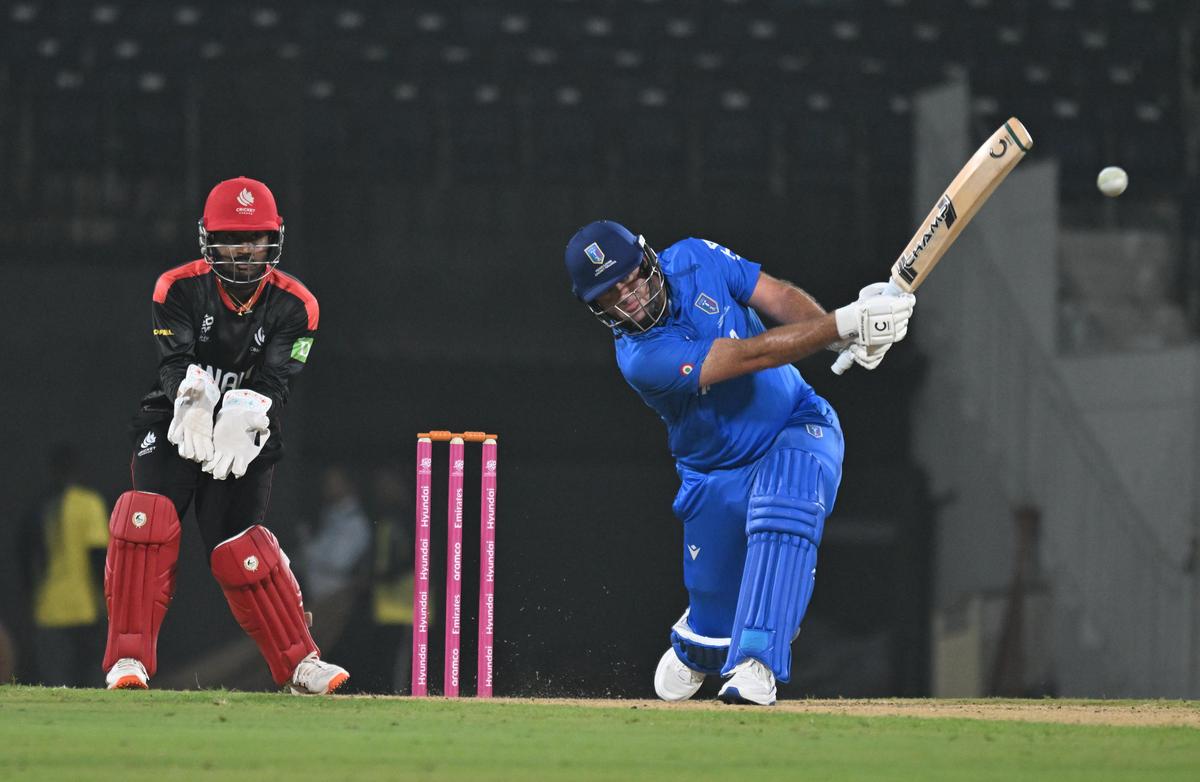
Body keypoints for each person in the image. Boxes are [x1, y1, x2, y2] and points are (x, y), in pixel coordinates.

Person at [563, 221, 915, 705]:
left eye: (633, 277)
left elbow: (778, 297)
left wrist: (838, 333)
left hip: (795, 423)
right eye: (612, 295)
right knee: (712, 623)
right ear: (597, 309)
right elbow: (749, 356)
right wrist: (844, 323)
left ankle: (757, 663)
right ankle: (700, 644)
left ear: (649, 260)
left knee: (785, 511)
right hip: (713, 473)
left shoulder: (694, 257)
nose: (631, 297)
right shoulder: (641, 360)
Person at [102, 175, 348, 694]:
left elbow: (278, 381)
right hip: (180, 420)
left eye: (256, 237)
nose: (243, 250)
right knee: (145, 519)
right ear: (207, 240)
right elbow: (174, 361)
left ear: (273, 239)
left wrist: (249, 407)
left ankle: (300, 663)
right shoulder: (177, 288)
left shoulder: (297, 305)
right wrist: (190, 392)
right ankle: (127, 660)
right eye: (232, 238)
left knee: (241, 549)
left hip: (245, 430)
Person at [18, 444, 109, 686]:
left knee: (52, 681)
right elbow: (98, 557)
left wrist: (30, 603)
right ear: (79, 471)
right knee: (86, 680)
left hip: (47, 608)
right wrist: (105, 600)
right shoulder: (89, 504)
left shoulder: (39, 509)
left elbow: (26, 560)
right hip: (84, 607)